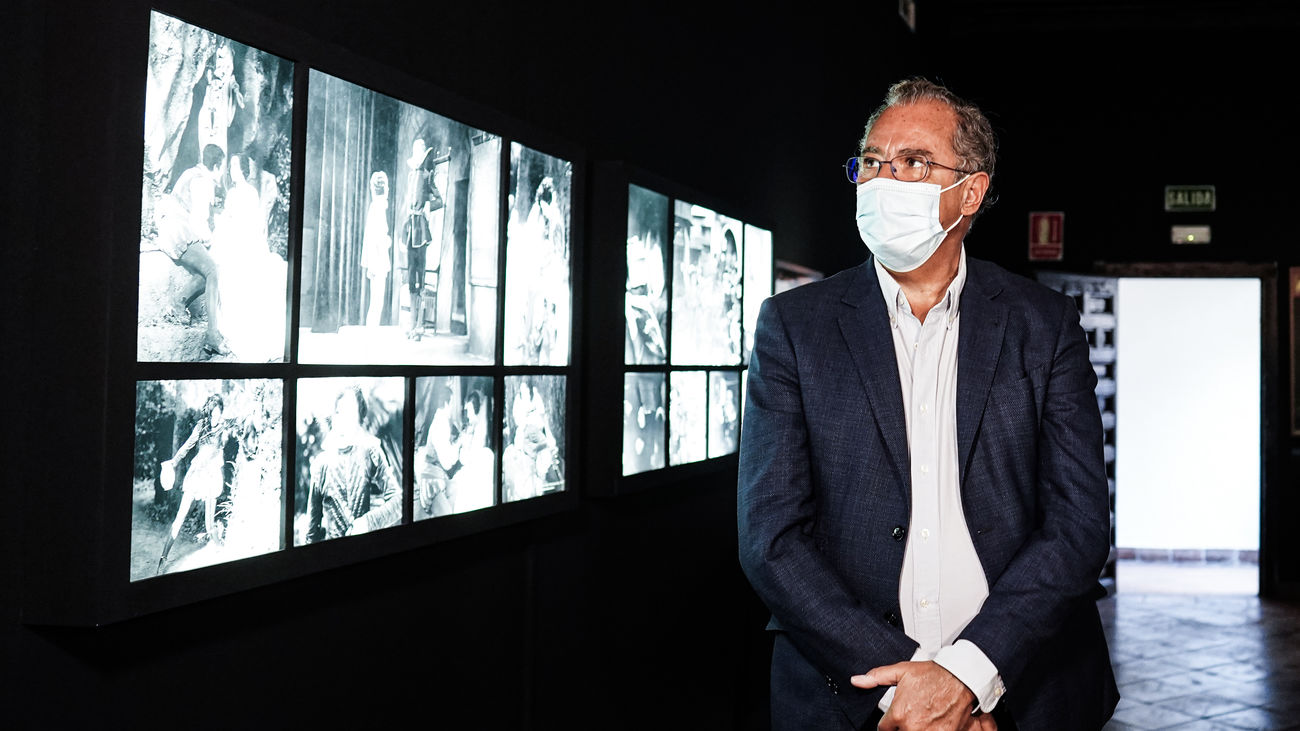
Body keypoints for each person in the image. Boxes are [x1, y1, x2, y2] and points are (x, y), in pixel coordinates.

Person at [737, 78, 1118, 731]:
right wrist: (913, 693)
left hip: (1025, 693)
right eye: (873, 161)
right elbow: (771, 537)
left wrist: (968, 674)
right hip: (853, 698)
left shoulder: (1042, 324)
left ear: (970, 191)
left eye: (913, 161)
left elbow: (1078, 524)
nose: (885, 178)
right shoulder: (794, 326)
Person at [153, 143, 230, 356]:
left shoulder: (191, 173)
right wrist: (209, 239)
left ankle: (179, 303)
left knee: (209, 271)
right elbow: (198, 219)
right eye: (222, 167)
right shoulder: (202, 181)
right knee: (213, 270)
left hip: (175, 227)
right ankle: (212, 335)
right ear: (217, 164)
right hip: (178, 231)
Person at [304, 386, 401, 542]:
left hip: (365, 551)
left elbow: (399, 502)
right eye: (338, 411)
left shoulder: (370, 452)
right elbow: (311, 532)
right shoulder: (321, 463)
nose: (343, 418)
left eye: (350, 412)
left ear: (359, 417)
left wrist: (368, 523)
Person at [157, 393, 230, 574]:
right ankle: (163, 558)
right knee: (180, 518)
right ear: (209, 412)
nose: (216, 416)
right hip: (197, 474)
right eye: (213, 413)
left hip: (211, 477)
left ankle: (223, 553)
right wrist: (174, 461)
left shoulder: (224, 429)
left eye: (219, 413)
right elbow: (187, 446)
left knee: (209, 524)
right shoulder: (201, 426)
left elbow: (221, 455)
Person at [401, 138, 444, 340]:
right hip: (410, 229)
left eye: (419, 151)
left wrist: (428, 207)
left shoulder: (428, 175)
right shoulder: (410, 176)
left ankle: (419, 327)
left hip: (421, 231)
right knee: (411, 278)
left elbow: (439, 200)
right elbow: (407, 206)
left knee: (420, 277)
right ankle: (411, 326)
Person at [361, 170, 391, 328]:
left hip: (377, 260)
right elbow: (375, 239)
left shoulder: (377, 207)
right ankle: (371, 333)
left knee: (376, 300)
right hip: (378, 261)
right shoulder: (378, 208)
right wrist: (388, 241)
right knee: (377, 301)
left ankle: (371, 331)